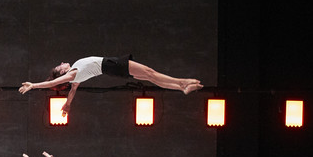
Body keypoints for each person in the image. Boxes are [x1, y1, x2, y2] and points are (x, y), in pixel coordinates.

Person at [18, 55, 202, 117]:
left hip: (111, 68)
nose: (62, 63)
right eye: (60, 67)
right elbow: (53, 83)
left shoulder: (74, 79)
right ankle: (182, 82)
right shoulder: (72, 74)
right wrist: (33, 85)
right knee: (150, 73)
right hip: (112, 65)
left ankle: (181, 87)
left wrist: (67, 104)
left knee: (151, 77)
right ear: (62, 73)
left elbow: (73, 91)